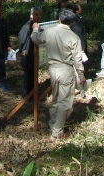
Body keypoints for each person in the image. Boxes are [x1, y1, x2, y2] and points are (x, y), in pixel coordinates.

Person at [31, 8, 86, 139]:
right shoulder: (74, 37)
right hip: (66, 69)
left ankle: (52, 123)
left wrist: (35, 29)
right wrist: (81, 76)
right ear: (72, 22)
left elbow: (35, 39)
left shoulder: (50, 31)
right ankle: (57, 131)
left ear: (60, 19)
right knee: (65, 102)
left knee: (56, 97)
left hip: (53, 69)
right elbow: (77, 59)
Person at [18, 6, 43, 98]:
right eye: (36, 14)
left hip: (34, 54)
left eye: (40, 15)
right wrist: (23, 52)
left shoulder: (39, 25)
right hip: (27, 53)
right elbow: (21, 40)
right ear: (31, 15)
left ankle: (32, 93)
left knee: (33, 73)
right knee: (27, 74)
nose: (38, 16)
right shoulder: (27, 26)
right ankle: (26, 95)